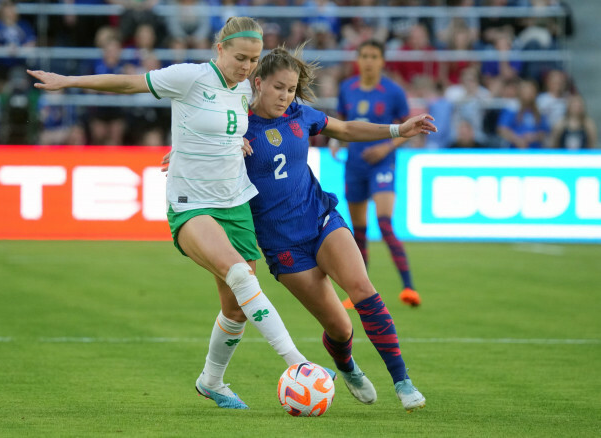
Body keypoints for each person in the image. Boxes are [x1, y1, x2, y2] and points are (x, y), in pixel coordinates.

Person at [27, 16, 312, 411]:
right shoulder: (190, 78)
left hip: (235, 202)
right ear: (219, 50)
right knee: (241, 276)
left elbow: (240, 126)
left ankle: (211, 381)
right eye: (240, 57)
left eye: (253, 59)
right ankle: (298, 364)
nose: (247, 67)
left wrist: (236, 141)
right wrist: (69, 82)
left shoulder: (246, 90)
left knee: (235, 309)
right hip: (191, 203)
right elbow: (129, 84)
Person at [163, 45, 436, 412]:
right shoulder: (236, 121)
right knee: (340, 329)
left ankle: (403, 382)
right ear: (257, 83)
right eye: (279, 88)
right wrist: (189, 153)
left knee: (362, 289)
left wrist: (396, 129)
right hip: (282, 246)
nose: (285, 96)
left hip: (320, 219)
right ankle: (346, 364)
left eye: (291, 89)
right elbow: (204, 139)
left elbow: (346, 128)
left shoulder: (299, 115)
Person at [330, 39, 421, 308]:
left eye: (374, 56)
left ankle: (409, 287)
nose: (368, 61)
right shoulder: (347, 89)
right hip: (355, 165)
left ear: (382, 61)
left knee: (384, 223)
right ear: (358, 60)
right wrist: (336, 142)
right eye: (364, 56)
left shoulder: (393, 92)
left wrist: (385, 148)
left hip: (382, 165)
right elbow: (342, 124)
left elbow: (408, 129)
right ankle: (359, 292)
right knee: (358, 231)